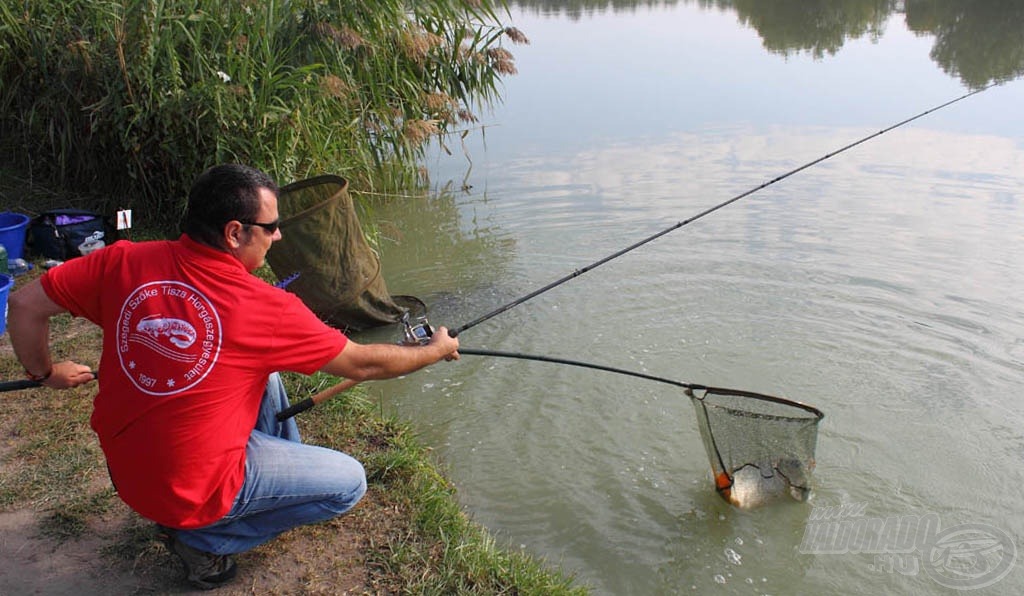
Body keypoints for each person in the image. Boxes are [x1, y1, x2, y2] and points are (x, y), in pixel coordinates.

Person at [7, 164, 460, 590]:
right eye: (271, 227)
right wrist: (433, 351)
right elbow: (363, 363)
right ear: (234, 232)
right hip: (185, 491)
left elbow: (25, 305)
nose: (278, 235)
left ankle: (236, 494)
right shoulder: (266, 307)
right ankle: (204, 540)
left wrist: (44, 373)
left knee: (269, 378)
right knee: (348, 483)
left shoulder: (122, 261)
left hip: (128, 471)